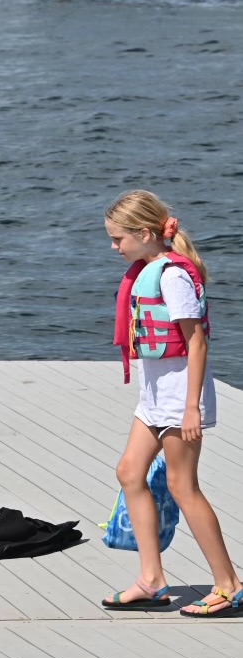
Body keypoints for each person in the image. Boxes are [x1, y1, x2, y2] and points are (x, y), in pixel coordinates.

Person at [101, 190, 241, 616]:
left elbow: (196, 341)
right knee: (129, 472)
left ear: (144, 233)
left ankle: (229, 585)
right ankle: (152, 580)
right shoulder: (148, 270)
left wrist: (192, 407)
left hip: (182, 397)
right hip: (154, 397)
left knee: (183, 486)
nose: (114, 247)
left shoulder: (172, 277)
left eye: (118, 238)